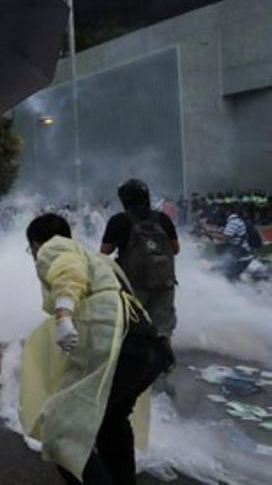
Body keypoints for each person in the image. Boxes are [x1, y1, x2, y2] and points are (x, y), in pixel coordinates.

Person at [20, 214, 170, 485]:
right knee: (111, 423)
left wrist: (64, 315)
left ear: (35, 243)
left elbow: (68, 274)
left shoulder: (55, 248)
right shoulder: (95, 258)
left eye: (31, 249)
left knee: (61, 433)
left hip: (116, 345)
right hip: (147, 347)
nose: (33, 255)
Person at [100, 179, 179, 340]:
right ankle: (164, 361)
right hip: (164, 283)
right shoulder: (162, 218)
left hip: (133, 286)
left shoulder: (119, 221)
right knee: (163, 330)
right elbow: (175, 249)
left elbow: (104, 252)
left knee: (133, 329)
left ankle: (139, 361)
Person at [204, 204, 253, 281]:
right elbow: (223, 233)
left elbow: (226, 237)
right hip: (239, 254)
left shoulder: (233, 222)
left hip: (242, 257)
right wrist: (211, 233)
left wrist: (211, 234)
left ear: (227, 212)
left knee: (228, 277)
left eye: (221, 210)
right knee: (227, 274)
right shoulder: (232, 221)